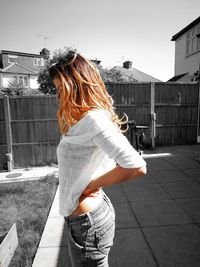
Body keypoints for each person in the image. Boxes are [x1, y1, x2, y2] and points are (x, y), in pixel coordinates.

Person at [48, 49, 147, 267]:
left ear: (76, 86)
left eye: (60, 89)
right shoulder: (83, 118)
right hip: (83, 220)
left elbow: (136, 166)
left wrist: (90, 183)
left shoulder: (94, 119)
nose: (58, 96)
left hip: (87, 224)